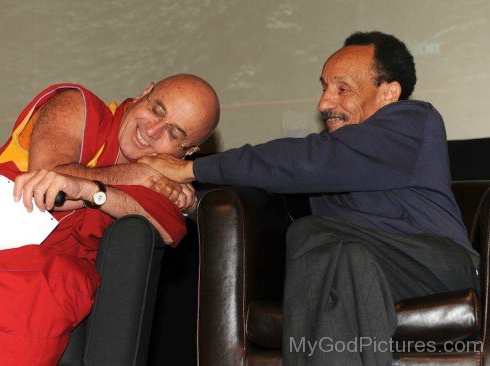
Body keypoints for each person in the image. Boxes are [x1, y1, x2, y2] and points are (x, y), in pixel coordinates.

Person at [139, 32, 480, 365]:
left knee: (315, 235)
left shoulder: (414, 121)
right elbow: (266, 200)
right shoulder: (323, 164)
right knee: (338, 256)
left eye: (342, 88)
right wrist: (192, 202)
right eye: (324, 87)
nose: (324, 103)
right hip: (358, 266)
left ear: (389, 92)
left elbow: (310, 160)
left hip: (432, 268)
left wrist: (190, 170)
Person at [0, 74, 219, 365]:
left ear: (187, 152)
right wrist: (132, 176)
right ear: (144, 92)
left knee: (39, 288)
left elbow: (168, 228)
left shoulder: (162, 181)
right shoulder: (78, 107)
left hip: (49, 270)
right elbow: (49, 175)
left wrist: (94, 191)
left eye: (173, 134)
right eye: (156, 110)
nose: (151, 130)